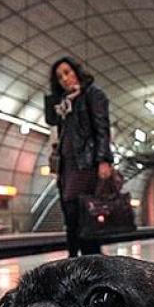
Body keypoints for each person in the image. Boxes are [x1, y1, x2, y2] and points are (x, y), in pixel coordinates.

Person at [45, 56, 111, 257]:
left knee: (84, 215)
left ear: (76, 71)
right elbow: (55, 127)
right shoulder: (64, 104)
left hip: (86, 163)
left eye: (67, 72)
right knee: (70, 216)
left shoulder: (93, 94)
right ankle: (73, 259)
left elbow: (102, 128)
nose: (64, 79)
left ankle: (91, 259)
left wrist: (104, 160)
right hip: (67, 167)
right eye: (59, 77)